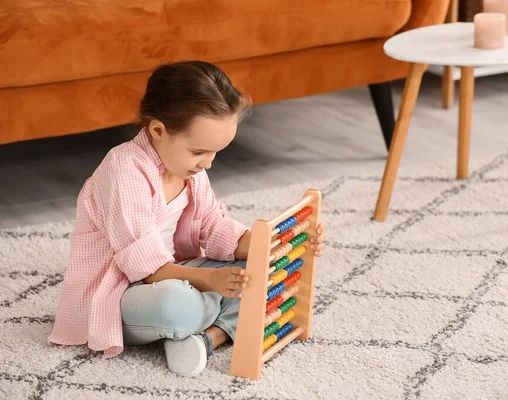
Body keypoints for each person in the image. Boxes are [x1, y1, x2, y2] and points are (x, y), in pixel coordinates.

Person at [47, 61, 326, 377]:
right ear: (157, 130)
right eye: (199, 151)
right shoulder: (123, 171)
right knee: (177, 305)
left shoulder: (189, 169)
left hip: (178, 272)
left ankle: (208, 339)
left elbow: (212, 225)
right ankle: (210, 319)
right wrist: (210, 281)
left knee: (262, 272)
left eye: (215, 153)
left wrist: (279, 244)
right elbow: (144, 266)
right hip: (119, 293)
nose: (207, 164)